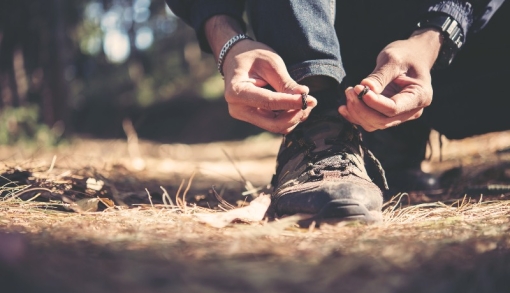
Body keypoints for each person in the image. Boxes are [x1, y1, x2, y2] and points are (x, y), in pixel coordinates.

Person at [165, 0, 509, 224]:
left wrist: (436, 36)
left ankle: (394, 138)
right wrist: (228, 41)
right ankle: (324, 125)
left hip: (457, 49)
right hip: (327, 40)